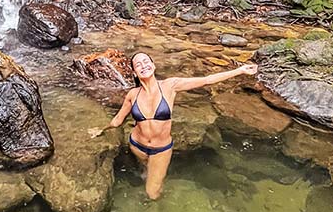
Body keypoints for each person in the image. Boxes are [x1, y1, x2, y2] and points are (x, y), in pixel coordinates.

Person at [88, 51, 258, 200]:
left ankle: (156, 202)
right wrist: (101, 130)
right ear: (134, 71)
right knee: (146, 171)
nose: (143, 65)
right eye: (138, 64)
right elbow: (118, 120)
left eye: (146, 61)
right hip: (137, 146)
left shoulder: (170, 85)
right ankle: (148, 171)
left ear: (153, 65)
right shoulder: (132, 94)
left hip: (160, 149)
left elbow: (206, 80)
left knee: (152, 193)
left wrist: (239, 70)